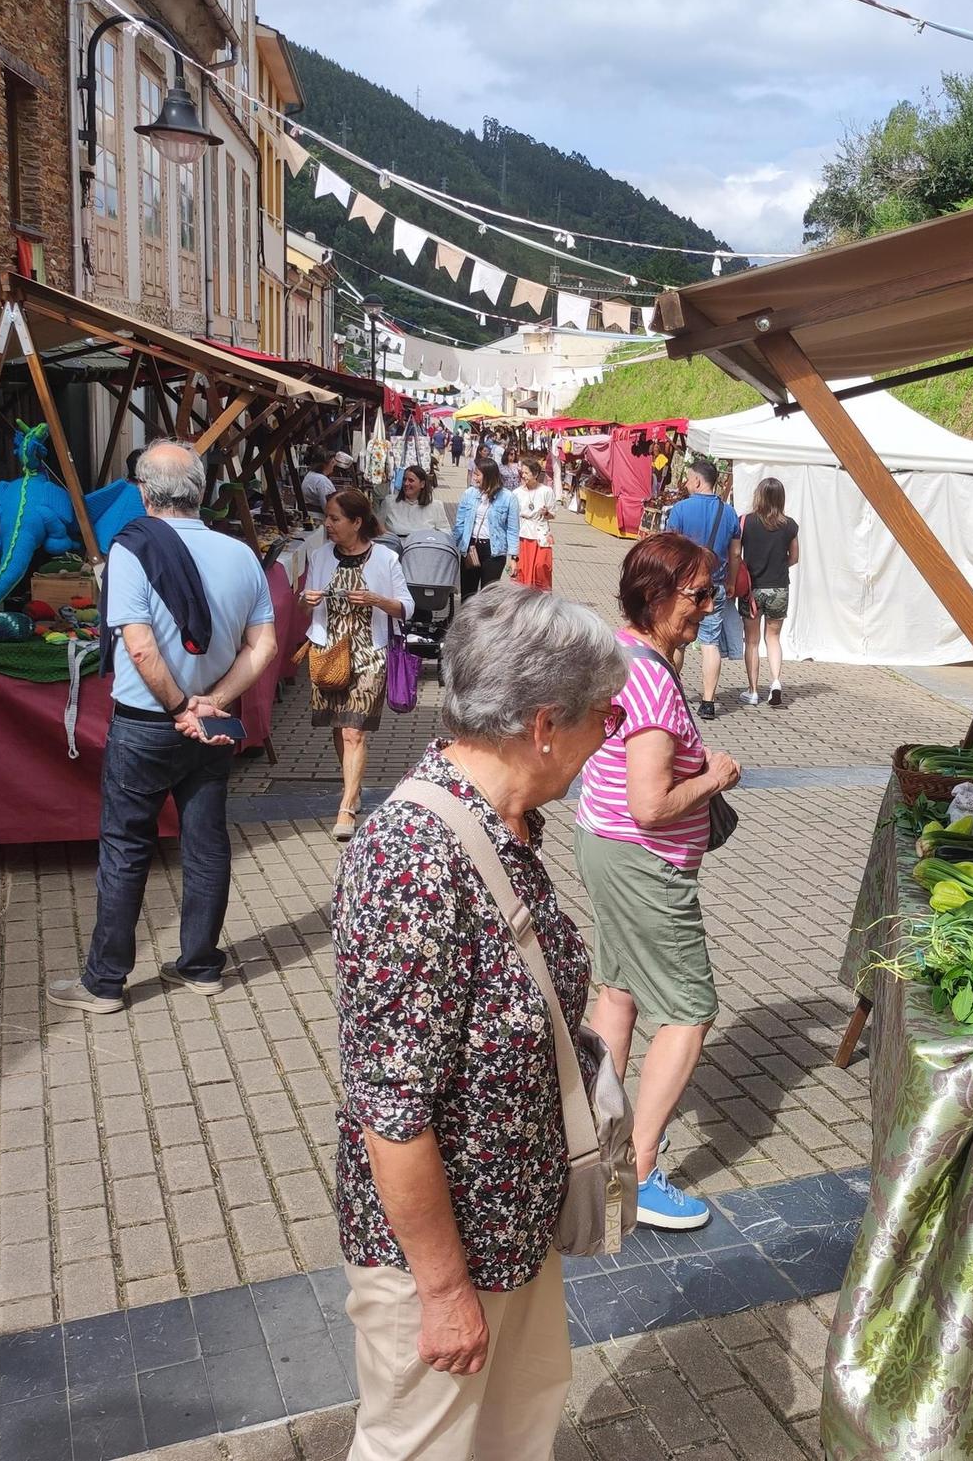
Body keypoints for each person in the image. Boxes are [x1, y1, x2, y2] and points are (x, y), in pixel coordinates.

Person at [333, 586, 629, 1461]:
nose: (606, 737)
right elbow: (393, 1112)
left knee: (515, 1428)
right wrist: (443, 1289)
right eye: (600, 720)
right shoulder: (412, 860)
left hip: (511, 1222)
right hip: (446, 1250)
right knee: (417, 1447)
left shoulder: (505, 824)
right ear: (544, 725)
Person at [48, 440, 278, 1014]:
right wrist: (213, 701)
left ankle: (105, 983)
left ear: (144, 492)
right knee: (206, 844)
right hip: (213, 722)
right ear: (200, 491)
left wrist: (180, 708)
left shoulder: (132, 549)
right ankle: (200, 967)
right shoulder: (241, 554)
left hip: (149, 724)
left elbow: (141, 649)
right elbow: (265, 645)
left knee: (126, 848)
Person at [579, 533, 742, 1231]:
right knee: (689, 1009)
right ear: (654, 598)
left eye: (712, 594)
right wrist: (714, 777)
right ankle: (637, 1174)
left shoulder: (619, 653)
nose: (708, 608)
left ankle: (592, 1147)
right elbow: (652, 803)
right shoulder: (648, 676)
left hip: (605, 845)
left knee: (617, 993)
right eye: (698, 594)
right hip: (645, 861)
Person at [303, 488, 414, 842]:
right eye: (328, 517)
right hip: (329, 652)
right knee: (340, 727)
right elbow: (308, 606)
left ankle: (347, 804)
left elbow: (407, 607)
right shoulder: (321, 556)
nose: (328, 524)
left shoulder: (384, 559)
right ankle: (352, 785)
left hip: (369, 653)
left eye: (335, 518)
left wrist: (377, 599)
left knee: (354, 731)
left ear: (356, 522)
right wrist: (307, 600)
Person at [662, 457, 742, 720]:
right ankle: (708, 702)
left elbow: (669, 550)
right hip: (714, 587)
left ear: (697, 480)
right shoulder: (729, 513)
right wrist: (730, 581)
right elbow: (735, 553)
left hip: (684, 587)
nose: (686, 483)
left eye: (687, 478)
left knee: (678, 641)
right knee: (710, 643)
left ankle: (673, 692)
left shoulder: (680, 510)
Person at [736, 476, 799, 709]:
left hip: (752, 590)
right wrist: (779, 566)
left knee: (752, 642)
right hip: (779, 588)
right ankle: (775, 682)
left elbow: (736, 555)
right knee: (773, 638)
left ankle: (752, 691)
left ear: (758, 496)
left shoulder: (745, 522)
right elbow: (794, 557)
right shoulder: (790, 525)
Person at [454, 459, 518, 601]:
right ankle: (466, 623)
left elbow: (513, 530)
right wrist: (457, 546)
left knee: (488, 597)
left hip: (494, 551)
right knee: (467, 594)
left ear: (488, 475)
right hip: (470, 548)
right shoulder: (469, 494)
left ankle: (485, 623)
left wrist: (514, 558)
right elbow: (459, 524)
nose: (474, 477)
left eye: (477, 474)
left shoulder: (508, 497)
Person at [512, 459, 556, 592]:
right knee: (523, 569)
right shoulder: (516, 493)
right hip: (523, 534)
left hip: (540, 533)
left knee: (541, 566)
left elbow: (552, 515)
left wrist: (546, 512)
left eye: (527, 473)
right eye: (522, 472)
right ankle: (521, 599)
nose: (523, 476)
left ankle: (542, 598)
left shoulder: (546, 491)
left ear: (535, 474)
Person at [383, 464, 447, 541]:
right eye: (404, 479)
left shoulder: (436, 506)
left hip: (424, 550)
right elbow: (377, 530)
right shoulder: (389, 502)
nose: (406, 483)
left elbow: (446, 534)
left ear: (422, 484)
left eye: (411, 480)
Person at [302, 448, 340, 518]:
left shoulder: (309, 475)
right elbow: (327, 505)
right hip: (319, 517)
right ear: (325, 465)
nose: (334, 465)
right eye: (332, 462)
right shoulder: (322, 480)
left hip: (311, 514)